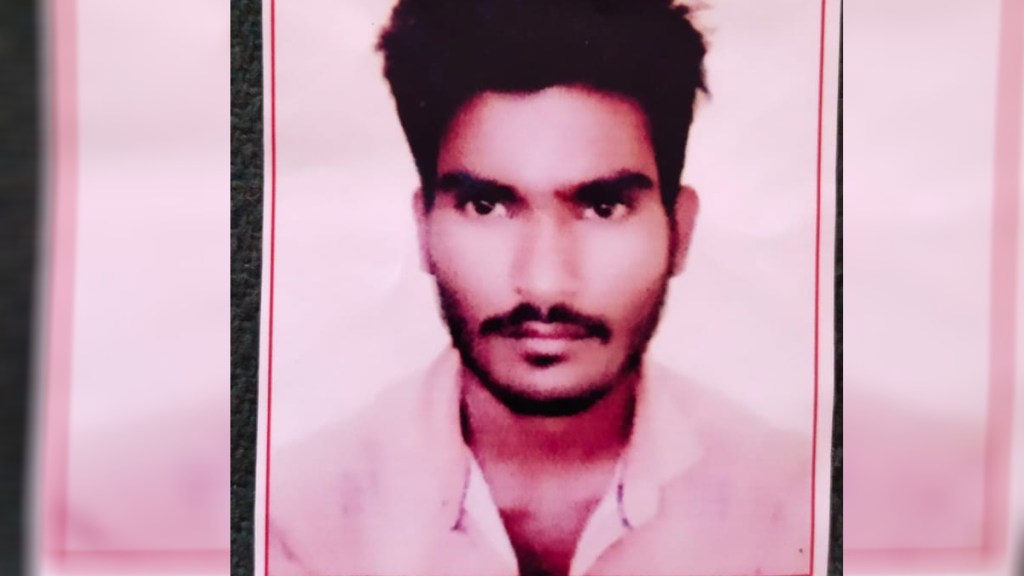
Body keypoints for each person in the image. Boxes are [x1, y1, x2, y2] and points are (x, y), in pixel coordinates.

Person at [269, 1, 811, 575]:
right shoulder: (297, 522)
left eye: (603, 208)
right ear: (423, 229)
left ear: (680, 231)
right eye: (486, 205)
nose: (545, 283)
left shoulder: (790, 508)